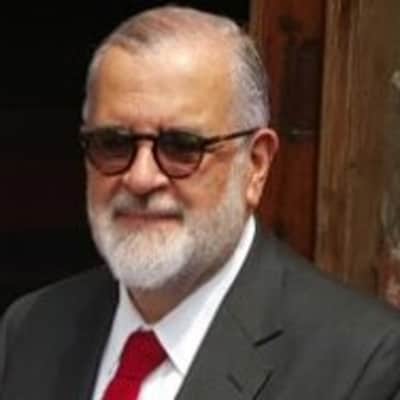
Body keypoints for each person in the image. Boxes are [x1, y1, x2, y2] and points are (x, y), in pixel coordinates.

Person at [1, 6, 400, 400]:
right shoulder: (33, 330)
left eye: (181, 147)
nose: (141, 178)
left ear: (256, 165)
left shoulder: (362, 364)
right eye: (113, 143)